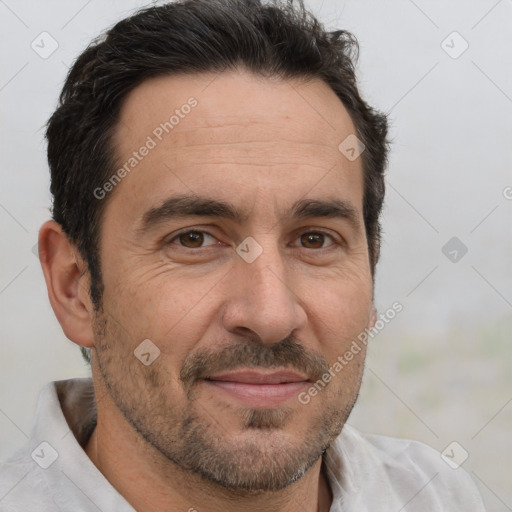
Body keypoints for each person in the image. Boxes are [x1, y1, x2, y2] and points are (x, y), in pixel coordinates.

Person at [0, 0, 486, 510]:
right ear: (74, 286)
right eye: (194, 239)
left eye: (316, 239)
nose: (271, 316)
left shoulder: (438, 496)